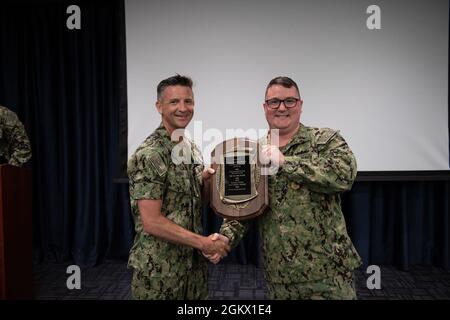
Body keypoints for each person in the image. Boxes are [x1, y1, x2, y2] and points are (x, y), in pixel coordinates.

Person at [216, 76, 362, 299]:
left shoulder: (324, 139)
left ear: (300, 105)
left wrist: (285, 162)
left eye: (289, 101)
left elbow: (344, 175)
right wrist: (225, 238)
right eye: (274, 102)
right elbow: (244, 207)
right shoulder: (252, 153)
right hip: (280, 275)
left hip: (328, 273)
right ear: (265, 107)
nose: (282, 108)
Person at [127, 75, 230, 299]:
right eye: (174, 102)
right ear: (159, 106)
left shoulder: (189, 147)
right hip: (160, 271)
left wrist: (206, 181)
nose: (183, 108)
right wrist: (203, 243)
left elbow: (189, 200)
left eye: (188, 101)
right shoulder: (151, 154)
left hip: (191, 267)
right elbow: (152, 222)